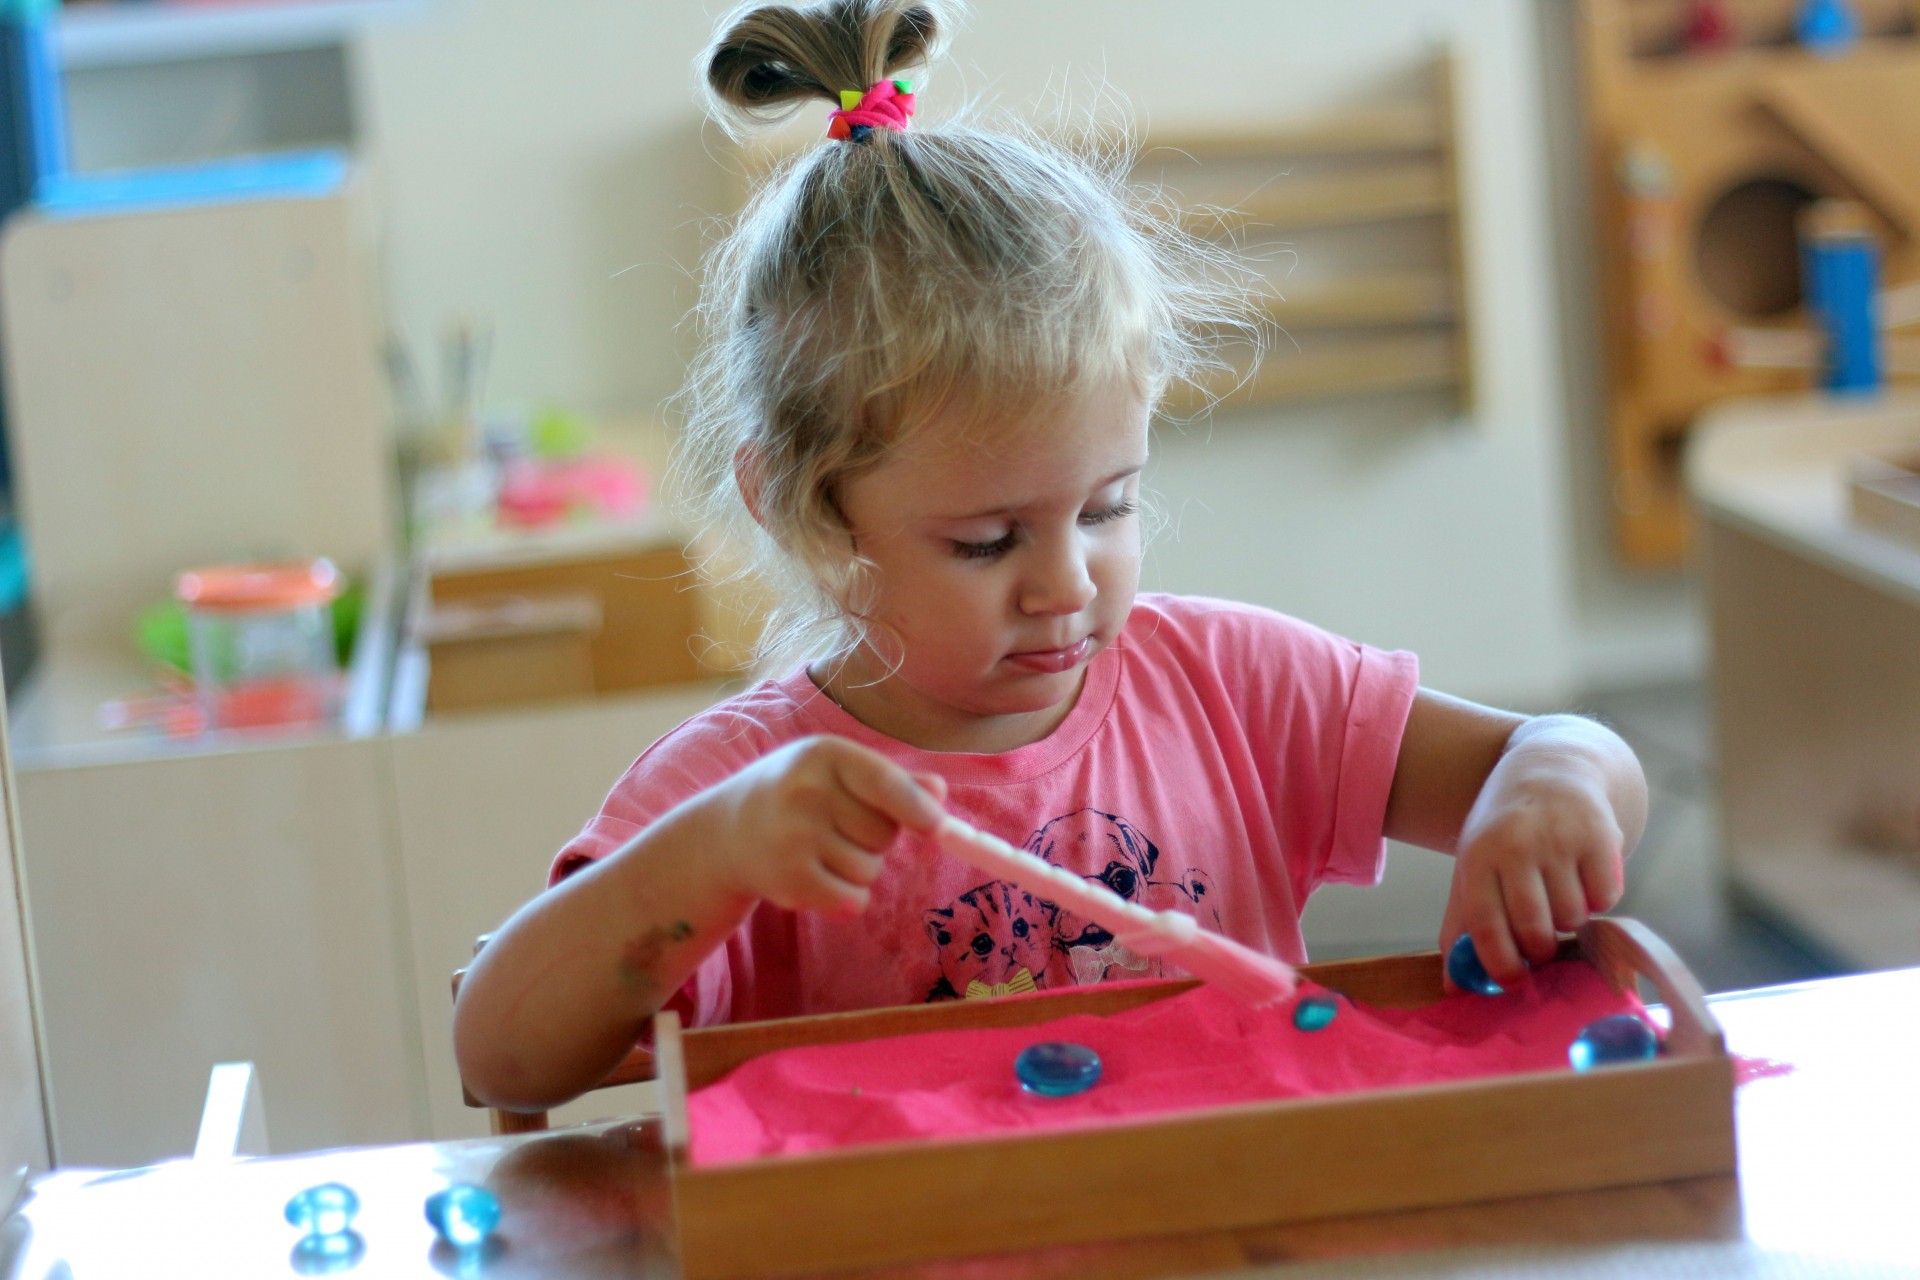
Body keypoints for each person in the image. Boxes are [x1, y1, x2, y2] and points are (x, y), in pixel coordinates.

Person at [453, 0, 1647, 1114]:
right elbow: (498, 1054)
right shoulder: (745, 794)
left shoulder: (1225, 686)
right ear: (804, 509)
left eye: (1108, 508)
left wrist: (1553, 785)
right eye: (986, 540)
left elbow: (1563, 749)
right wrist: (706, 858)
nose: (1067, 583)